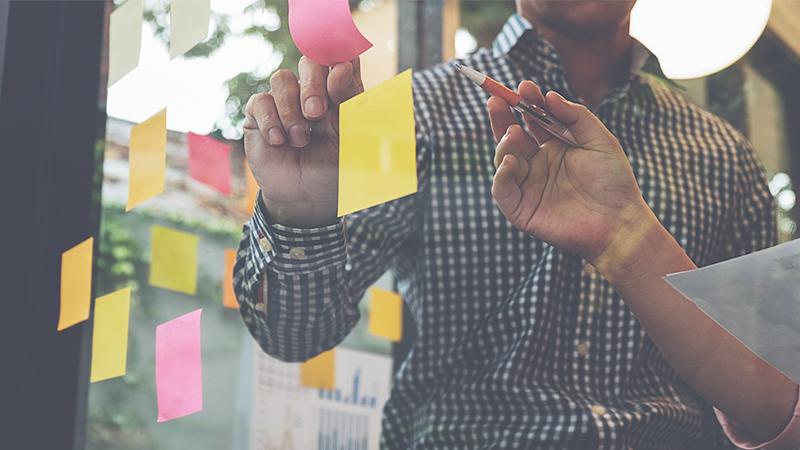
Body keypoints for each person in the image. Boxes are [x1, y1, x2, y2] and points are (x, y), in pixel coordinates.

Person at [234, 1, 795, 447]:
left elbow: (768, 395)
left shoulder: (722, 155)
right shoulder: (410, 112)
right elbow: (293, 334)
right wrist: (300, 216)